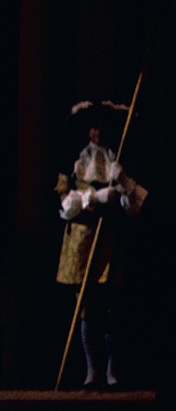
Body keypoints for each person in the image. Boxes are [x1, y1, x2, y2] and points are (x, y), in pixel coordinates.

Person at [55, 99, 148, 389]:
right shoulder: (74, 162)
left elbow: (135, 207)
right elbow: (65, 205)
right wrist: (94, 198)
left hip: (110, 242)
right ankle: (91, 371)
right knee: (87, 309)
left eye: (103, 128)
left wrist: (122, 183)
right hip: (82, 244)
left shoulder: (117, 162)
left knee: (111, 309)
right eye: (94, 128)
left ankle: (111, 372)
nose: (98, 133)